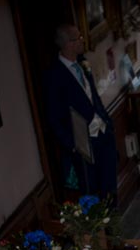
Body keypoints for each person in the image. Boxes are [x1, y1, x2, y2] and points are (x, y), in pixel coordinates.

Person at [44, 23, 118, 200]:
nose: (82, 40)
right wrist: (74, 145)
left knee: (110, 189)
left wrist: (107, 122)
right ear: (68, 44)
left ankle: (115, 225)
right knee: (92, 194)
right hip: (84, 144)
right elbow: (54, 118)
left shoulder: (83, 63)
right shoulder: (54, 75)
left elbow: (93, 96)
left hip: (103, 135)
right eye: (78, 38)